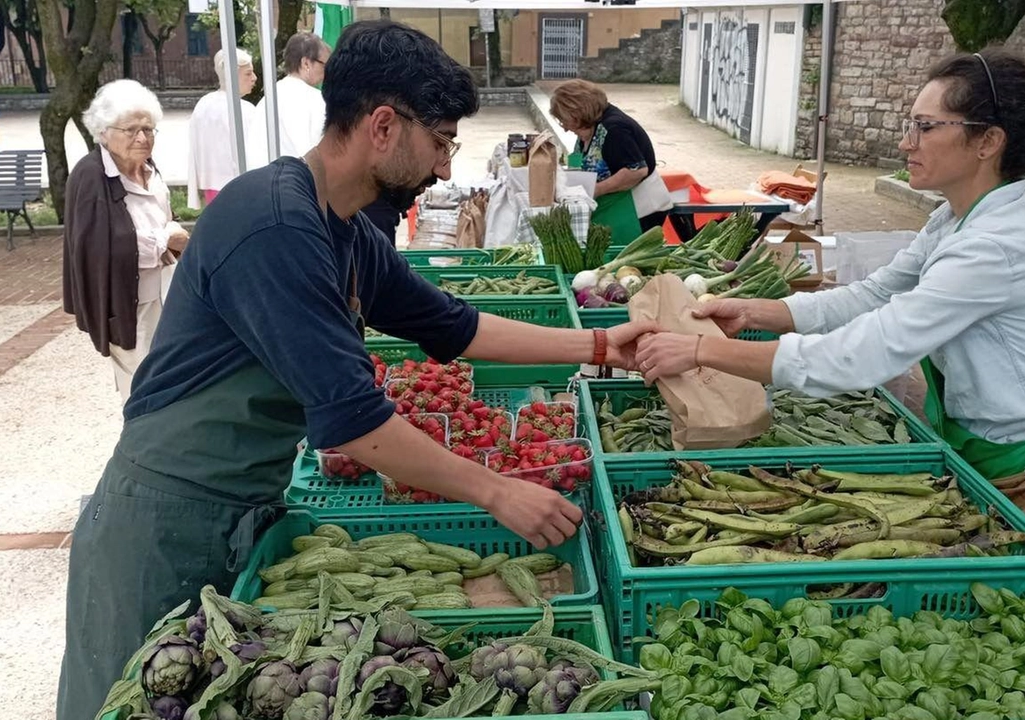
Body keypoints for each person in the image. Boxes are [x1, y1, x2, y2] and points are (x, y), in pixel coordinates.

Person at [56, 20, 654, 717]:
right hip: (163, 525)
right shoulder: (278, 227)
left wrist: (601, 347)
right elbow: (356, 424)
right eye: (440, 143)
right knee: (130, 702)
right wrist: (497, 492)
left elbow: (452, 326)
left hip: (241, 506)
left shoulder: (344, 227)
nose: (442, 168)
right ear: (381, 126)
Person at [635, 49, 1025, 565]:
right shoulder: (955, 221)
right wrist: (756, 312)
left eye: (925, 127)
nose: (907, 142)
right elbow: (876, 294)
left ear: (988, 142)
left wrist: (702, 351)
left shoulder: (995, 246)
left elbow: (862, 355)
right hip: (994, 454)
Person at [62, 80, 189, 405]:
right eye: (131, 129)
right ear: (104, 132)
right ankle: (144, 451)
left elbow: (160, 216)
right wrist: (166, 239)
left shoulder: (148, 168)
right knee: (143, 390)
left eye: (148, 129)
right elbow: (98, 248)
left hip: (166, 294)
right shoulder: (90, 177)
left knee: (172, 380)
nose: (143, 138)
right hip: (126, 303)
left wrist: (170, 232)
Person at [550, 79, 671, 245]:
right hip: (616, 205)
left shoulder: (614, 128)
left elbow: (636, 171)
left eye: (564, 120)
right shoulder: (589, 126)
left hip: (638, 208)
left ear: (576, 112)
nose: (564, 127)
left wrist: (595, 190)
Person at [187, 47, 257, 209]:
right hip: (241, 188)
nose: (254, 78)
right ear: (232, 74)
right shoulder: (244, 110)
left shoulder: (203, 104)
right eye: (248, 73)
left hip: (210, 185)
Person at [248, 31, 330, 167]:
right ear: (306, 63)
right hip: (298, 180)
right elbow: (319, 150)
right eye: (324, 65)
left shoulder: (270, 97)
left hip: (265, 177)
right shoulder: (314, 99)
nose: (327, 71)